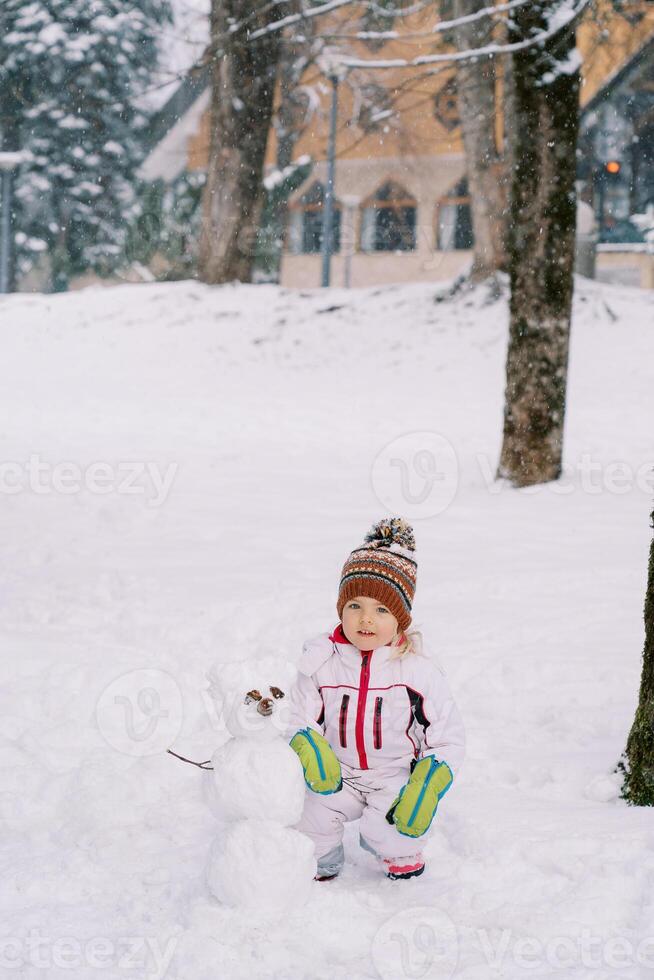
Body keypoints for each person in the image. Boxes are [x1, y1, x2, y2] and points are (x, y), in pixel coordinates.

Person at [287, 516, 465, 881]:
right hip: (338, 774)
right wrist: (310, 749)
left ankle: (386, 844)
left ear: (400, 619)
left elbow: (447, 735)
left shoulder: (419, 672)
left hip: (393, 777)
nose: (366, 619)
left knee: (400, 827)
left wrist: (427, 782)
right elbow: (298, 715)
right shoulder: (321, 664)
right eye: (355, 606)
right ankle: (322, 855)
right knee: (307, 814)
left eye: (381, 610)